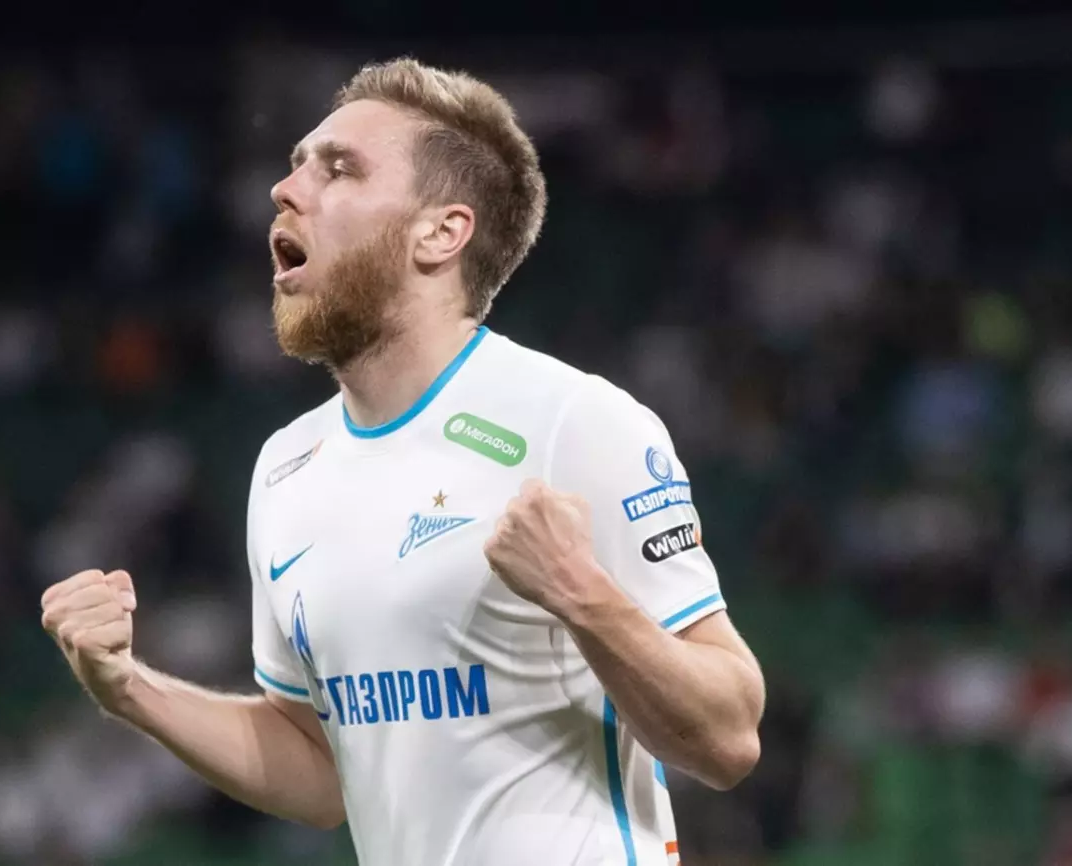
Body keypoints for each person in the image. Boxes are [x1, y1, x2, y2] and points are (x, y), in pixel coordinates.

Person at [40, 57, 765, 866]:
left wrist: (582, 594)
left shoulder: (573, 422)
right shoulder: (286, 469)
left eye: (339, 169)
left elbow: (729, 737)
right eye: (296, 166)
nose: (285, 189)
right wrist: (130, 688)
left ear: (440, 233)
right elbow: (320, 773)